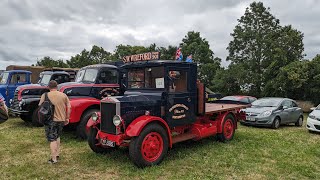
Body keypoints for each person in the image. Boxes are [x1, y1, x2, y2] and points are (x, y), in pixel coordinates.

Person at [39, 80, 71, 164]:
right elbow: (69, 107)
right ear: (57, 87)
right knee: (57, 136)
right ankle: (57, 154)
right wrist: (67, 118)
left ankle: (53, 159)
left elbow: (40, 107)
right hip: (61, 119)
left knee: (52, 139)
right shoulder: (64, 95)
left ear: (48, 87)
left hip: (51, 120)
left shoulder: (45, 95)